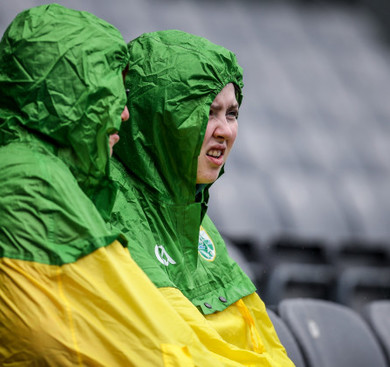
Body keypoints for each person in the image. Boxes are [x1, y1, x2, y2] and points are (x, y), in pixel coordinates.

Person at [0, 5, 238, 366]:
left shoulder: (13, 169)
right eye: (110, 92)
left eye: (232, 113)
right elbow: (123, 341)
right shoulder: (32, 181)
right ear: (72, 93)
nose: (125, 112)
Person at [110, 30, 295, 366]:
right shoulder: (112, 205)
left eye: (232, 113)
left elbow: (262, 343)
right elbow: (174, 347)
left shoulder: (191, 213)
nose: (225, 130)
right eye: (208, 112)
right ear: (159, 117)